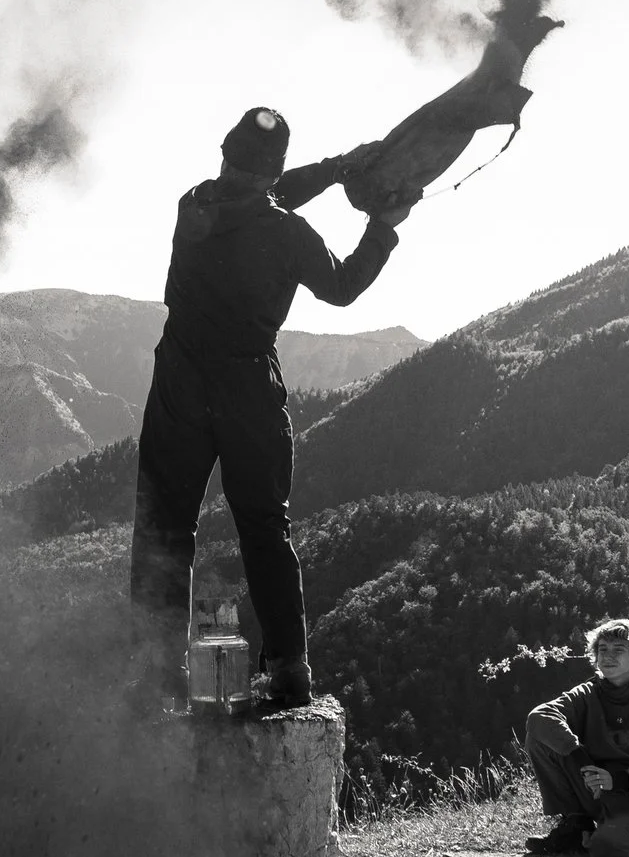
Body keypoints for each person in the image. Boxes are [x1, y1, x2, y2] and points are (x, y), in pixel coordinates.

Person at [128, 107, 416, 709]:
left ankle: (157, 676)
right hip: (248, 389)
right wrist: (383, 226)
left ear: (224, 156)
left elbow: (267, 192)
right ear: (274, 171)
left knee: (165, 530)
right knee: (264, 529)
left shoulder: (195, 206)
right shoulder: (289, 234)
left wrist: (336, 169)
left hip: (180, 380)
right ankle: (288, 670)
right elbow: (340, 287)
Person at [521, 619, 629, 857]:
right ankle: (576, 825)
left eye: (618, 650)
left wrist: (617, 779)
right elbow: (540, 717)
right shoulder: (590, 692)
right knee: (543, 736)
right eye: (602, 649)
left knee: (606, 852)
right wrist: (580, 757)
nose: (608, 656)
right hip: (597, 790)